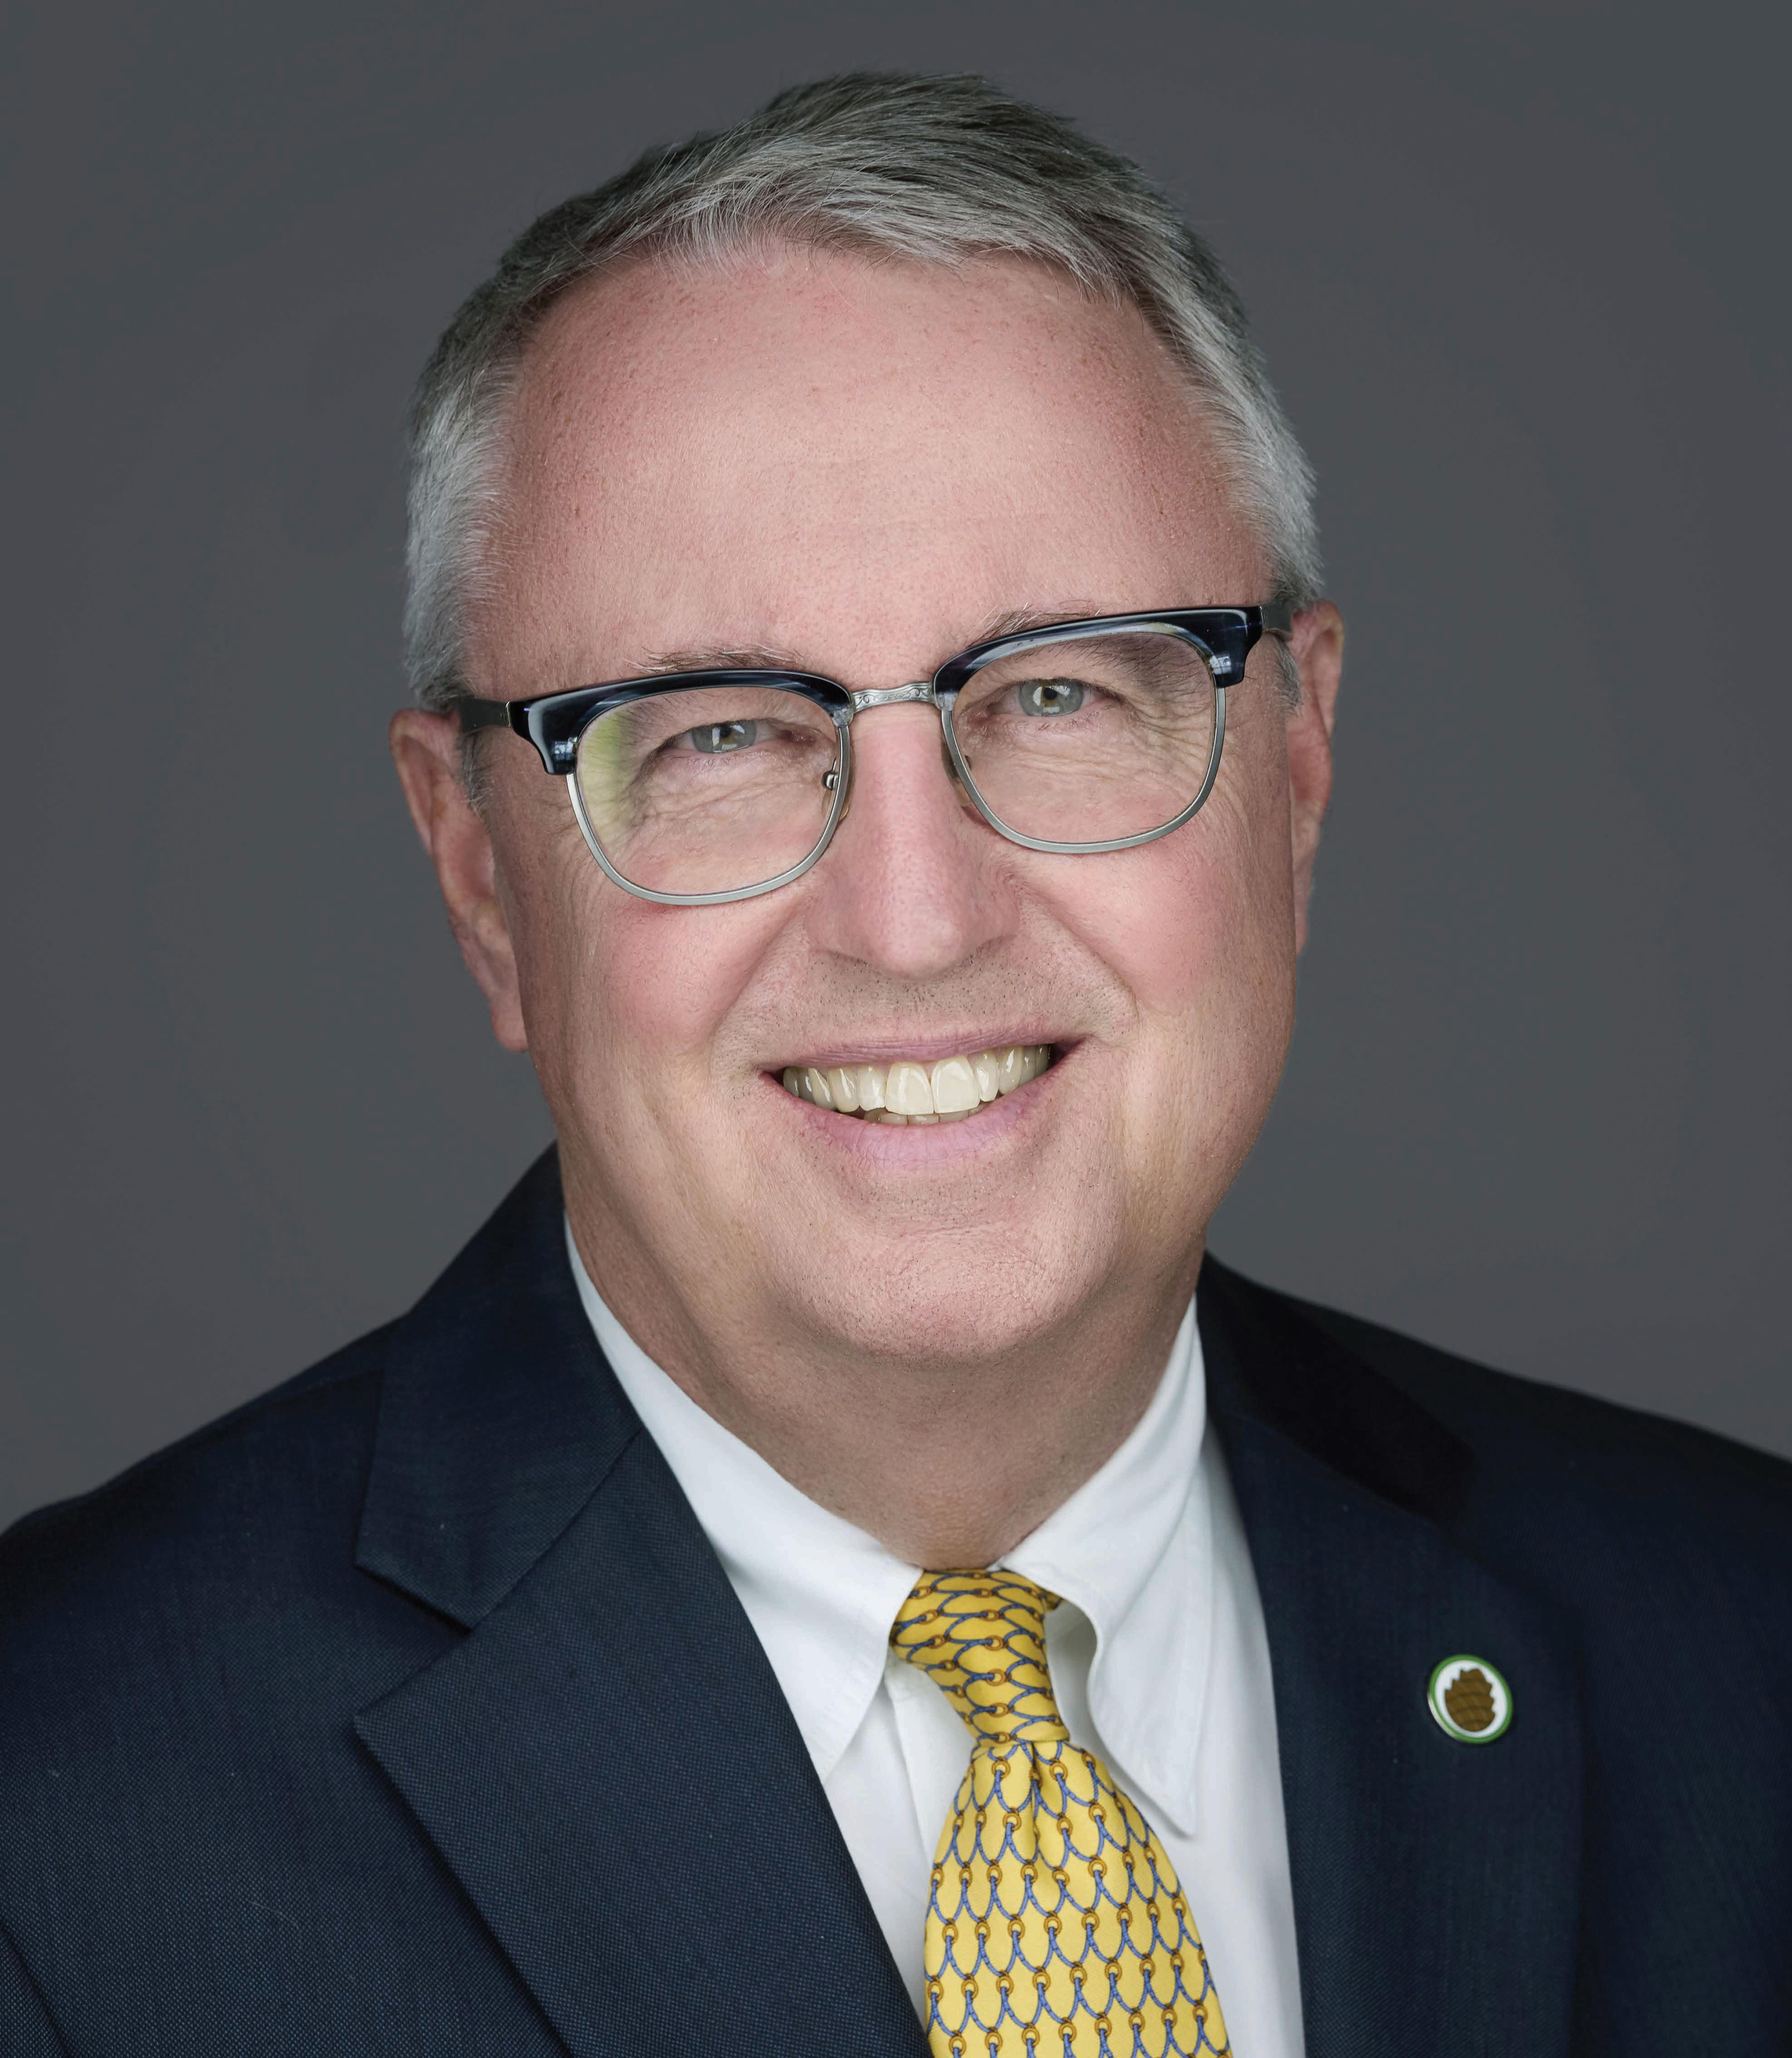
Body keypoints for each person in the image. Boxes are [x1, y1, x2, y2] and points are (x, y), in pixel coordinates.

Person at [1, 72, 1786, 2058]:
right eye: (715, 733)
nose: (915, 917)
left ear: (1294, 774)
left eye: (1059, 693)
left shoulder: (1744, 1657)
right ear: (479, 874)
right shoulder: (54, 1831)